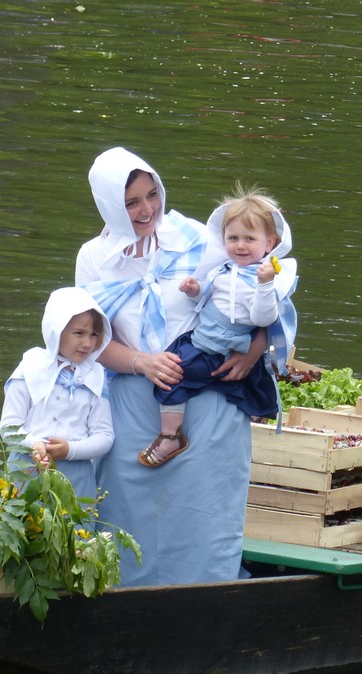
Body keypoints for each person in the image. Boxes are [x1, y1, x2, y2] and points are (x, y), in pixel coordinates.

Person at [75, 146, 297, 587]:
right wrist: (142, 361)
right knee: (126, 511)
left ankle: (208, 596)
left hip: (211, 394)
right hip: (134, 403)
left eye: (151, 194)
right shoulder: (94, 259)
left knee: (205, 512)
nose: (147, 209)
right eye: (131, 202)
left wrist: (253, 353)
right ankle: (120, 599)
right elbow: (88, 342)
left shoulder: (197, 238)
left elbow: (255, 299)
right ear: (109, 205)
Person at [138, 185, 297, 467]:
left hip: (222, 345)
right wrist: (194, 289)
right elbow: (209, 298)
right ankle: (171, 429)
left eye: (250, 238)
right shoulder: (223, 269)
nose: (240, 245)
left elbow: (263, 318)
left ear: (269, 243)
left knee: (173, 376)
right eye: (233, 237)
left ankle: (170, 434)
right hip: (200, 337)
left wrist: (265, 284)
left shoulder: (264, 278)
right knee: (170, 361)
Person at [0, 286, 113, 500]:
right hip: (26, 469)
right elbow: (8, 427)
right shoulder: (30, 368)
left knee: (74, 531)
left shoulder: (95, 376)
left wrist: (70, 449)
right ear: (56, 330)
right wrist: (34, 444)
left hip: (76, 479)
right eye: (79, 333)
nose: (87, 343)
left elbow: (104, 437)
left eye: (94, 335)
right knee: (25, 527)